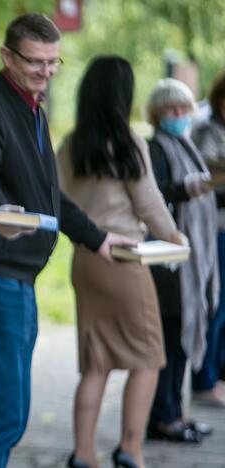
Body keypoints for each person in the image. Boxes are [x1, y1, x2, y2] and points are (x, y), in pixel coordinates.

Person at [0, 14, 134, 468]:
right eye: (35, 62)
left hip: (15, 279)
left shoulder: (31, 109)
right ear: (7, 56)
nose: (46, 72)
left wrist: (96, 237)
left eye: (53, 63)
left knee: (13, 411)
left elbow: (47, 196)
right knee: (3, 411)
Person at [56, 56, 185, 468]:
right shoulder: (130, 142)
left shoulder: (70, 144)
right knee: (148, 358)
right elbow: (148, 203)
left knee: (95, 364)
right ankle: (131, 450)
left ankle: (84, 454)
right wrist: (176, 238)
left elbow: (57, 200)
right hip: (125, 259)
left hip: (85, 259)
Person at [145, 78, 219, 443]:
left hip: (193, 256)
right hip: (170, 258)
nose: (177, 115)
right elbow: (155, 196)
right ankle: (163, 417)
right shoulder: (154, 148)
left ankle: (176, 411)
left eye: (182, 109)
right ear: (157, 114)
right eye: (170, 110)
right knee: (170, 339)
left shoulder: (185, 143)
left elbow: (204, 199)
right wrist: (191, 188)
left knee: (182, 339)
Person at [190, 69, 225, 407]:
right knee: (215, 304)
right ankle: (204, 379)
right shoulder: (204, 131)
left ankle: (217, 375)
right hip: (214, 228)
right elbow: (202, 184)